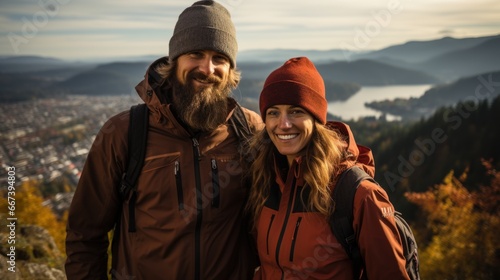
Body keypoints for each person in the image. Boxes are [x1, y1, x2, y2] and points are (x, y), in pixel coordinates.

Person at [65, 1, 263, 279]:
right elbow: (84, 235)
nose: (208, 69)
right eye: (195, 53)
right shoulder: (124, 133)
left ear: (231, 70)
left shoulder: (249, 129)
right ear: (174, 61)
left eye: (220, 58)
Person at [246, 57, 410, 279]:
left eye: (296, 111)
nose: (283, 124)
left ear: (316, 119)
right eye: (273, 112)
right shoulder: (264, 180)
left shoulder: (357, 194)